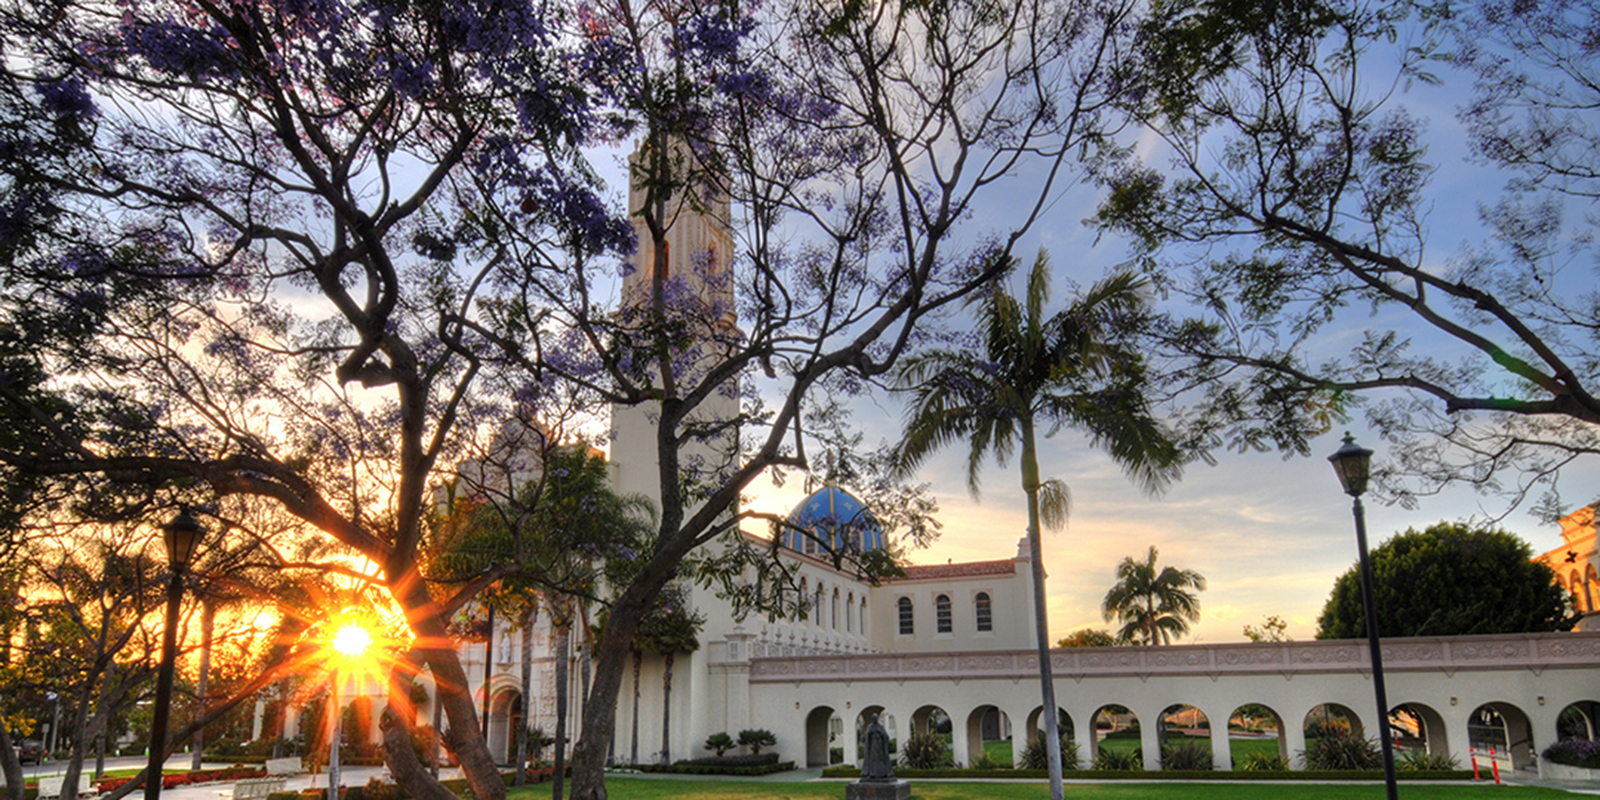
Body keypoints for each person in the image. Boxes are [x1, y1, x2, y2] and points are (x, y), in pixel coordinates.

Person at [863, 714, 893, 780]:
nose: (874, 719)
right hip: (873, 745)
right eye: (873, 718)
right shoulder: (870, 727)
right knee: (873, 759)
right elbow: (867, 736)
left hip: (880, 745)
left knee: (880, 759)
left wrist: (880, 733)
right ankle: (872, 773)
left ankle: (882, 773)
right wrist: (871, 733)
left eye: (875, 718)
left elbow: (885, 736)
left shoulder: (880, 727)